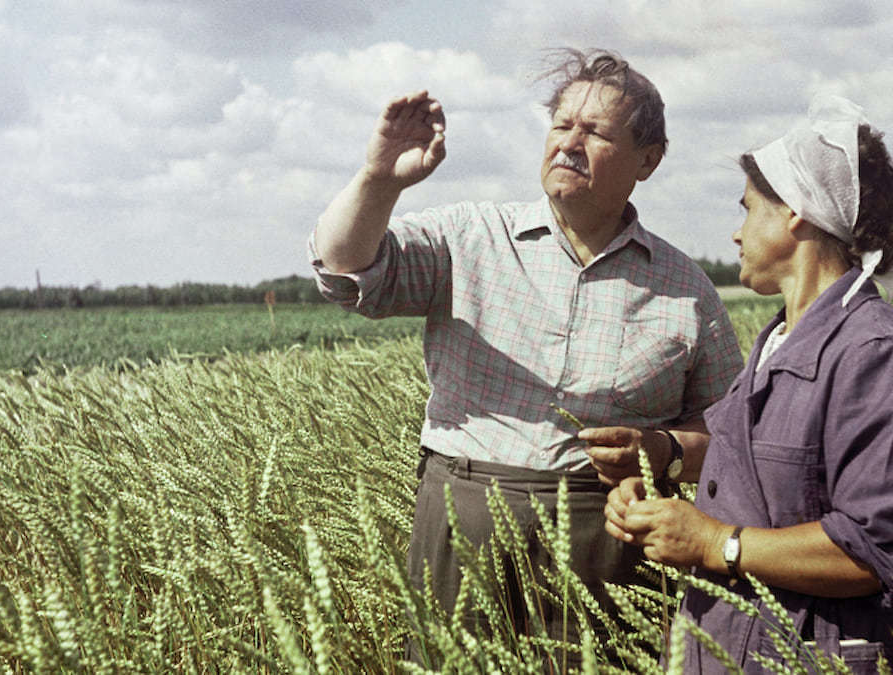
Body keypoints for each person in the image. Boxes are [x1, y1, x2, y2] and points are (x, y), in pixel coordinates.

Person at [308, 48, 743, 642]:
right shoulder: (469, 237)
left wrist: (661, 448)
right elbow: (345, 271)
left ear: (648, 159)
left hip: (609, 542)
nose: (569, 142)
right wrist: (378, 180)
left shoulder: (685, 288)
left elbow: (729, 436)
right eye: (561, 125)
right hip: (466, 521)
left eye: (594, 132)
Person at [604, 94, 893, 673]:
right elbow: (755, 459)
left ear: (795, 212)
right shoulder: (782, 339)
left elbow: (878, 552)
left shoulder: (874, 354)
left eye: (747, 209)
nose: (736, 234)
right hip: (734, 646)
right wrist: (659, 463)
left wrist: (715, 544)